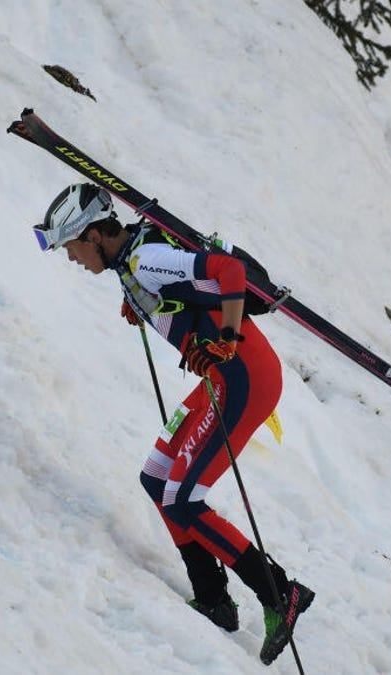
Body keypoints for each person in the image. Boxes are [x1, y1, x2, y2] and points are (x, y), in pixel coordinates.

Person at [33, 183, 314, 665]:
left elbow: (229, 272)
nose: (71, 258)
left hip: (243, 376)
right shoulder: (134, 263)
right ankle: (213, 598)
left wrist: (226, 338)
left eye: (72, 246)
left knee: (183, 498)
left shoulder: (145, 260)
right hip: (224, 376)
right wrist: (143, 302)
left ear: (95, 235)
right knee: (157, 478)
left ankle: (279, 593)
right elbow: (185, 292)